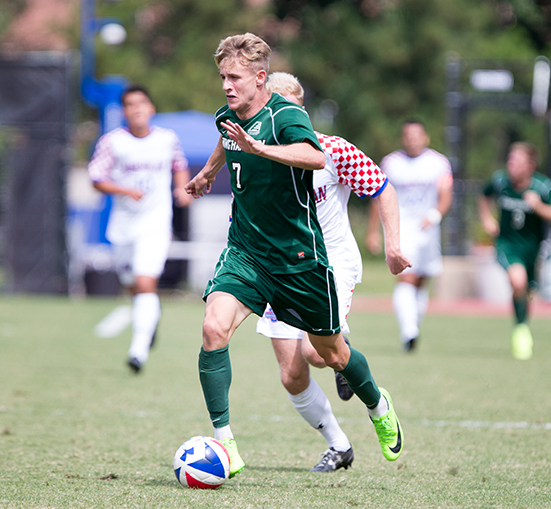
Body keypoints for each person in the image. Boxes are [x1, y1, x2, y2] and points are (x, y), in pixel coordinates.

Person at [185, 33, 410, 478]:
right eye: (223, 77)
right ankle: (226, 444)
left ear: (261, 78)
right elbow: (225, 138)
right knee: (214, 328)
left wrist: (260, 149)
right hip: (248, 253)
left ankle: (378, 405)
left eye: (234, 77)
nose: (227, 85)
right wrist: (207, 173)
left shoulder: (288, 118)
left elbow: (312, 155)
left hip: (302, 261)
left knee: (328, 351)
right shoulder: (227, 115)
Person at [255, 72, 407, 472]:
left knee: (315, 351)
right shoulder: (257, 155)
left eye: (285, 107)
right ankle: (339, 446)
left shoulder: (333, 150)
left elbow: (382, 188)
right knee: (291, 374)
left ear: (300, 110)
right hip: (282, 269)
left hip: (331, 264)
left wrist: (392, 245)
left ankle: (377, 405)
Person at [88, 85, 192, 373]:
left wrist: (181, 189)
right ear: (124, 111)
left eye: (141, 103)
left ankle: (138, 351)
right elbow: (96, 177)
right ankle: (150, 321)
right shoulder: (112, 142)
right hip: (123, 227)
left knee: (146, 283)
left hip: (155, 224)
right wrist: (125, 189)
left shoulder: (167, 139)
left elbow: (179, 164)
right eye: (130, 105)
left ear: (151, 109)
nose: (136, 109)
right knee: (133, 286)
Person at [368, 120, 453, 352]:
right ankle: (409, 332)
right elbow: (378, 196)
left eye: (417, 135)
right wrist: (373, 231)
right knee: (406, 277)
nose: (412, 139)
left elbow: (446, 195)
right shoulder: (391, 163)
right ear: (402, 138)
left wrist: (435, 215)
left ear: (426, 137)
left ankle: (412, 326)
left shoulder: (438, 162)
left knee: (422, 279)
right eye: (408, 135)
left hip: (427, 228)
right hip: (401, 225)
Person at [477, 142, 551, 360]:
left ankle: (521, 326)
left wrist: (539, 207)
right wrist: (487, 219)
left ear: (530, 166)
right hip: (506, 245)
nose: (511, 165)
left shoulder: (542, 187)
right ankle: (521, 330)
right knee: (518, 281)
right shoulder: (500, 181)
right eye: (510, 160)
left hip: (531, 248)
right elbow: (483, 196)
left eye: (516, 161)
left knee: (525, 290)